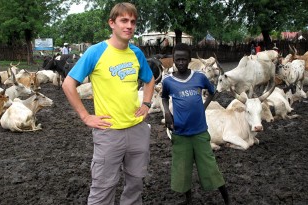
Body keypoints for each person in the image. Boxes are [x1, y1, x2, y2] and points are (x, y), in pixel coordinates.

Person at [62, 2, 155, 205]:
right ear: (112, 23)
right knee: (103, 188)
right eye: (123, 20)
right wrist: (86, 116)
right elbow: (68, 84)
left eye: (133, 21)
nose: (129, 26)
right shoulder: (96, 52)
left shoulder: (136, 53)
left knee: (136, 184)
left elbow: (149, 80)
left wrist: (146, 104)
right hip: (108, 132)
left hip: (137, 129)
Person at [161, 43, 230, 205]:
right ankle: (188, 200)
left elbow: (212, 92)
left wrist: (203, 107)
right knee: (183, 170)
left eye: (184, 59)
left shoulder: (199, 77)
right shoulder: (168, 81)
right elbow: (164, 97)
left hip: (199, 133)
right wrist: (167, 112)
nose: (181, 63)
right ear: (173, 60)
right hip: (180, 134)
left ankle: (227, 199)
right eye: (178, 60)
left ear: (189, 60)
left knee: (210, 167)